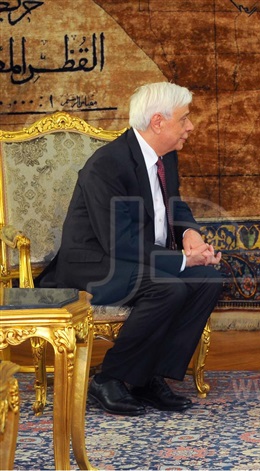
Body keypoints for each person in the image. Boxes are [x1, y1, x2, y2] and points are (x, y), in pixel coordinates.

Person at [37, 82, 224, 416]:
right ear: (158, 122)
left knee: (208, 280)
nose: (191, 126)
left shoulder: (166, 156)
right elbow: (119, 242)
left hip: (134, 258)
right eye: (184, 119)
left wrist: (190, 234)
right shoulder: (107, 165)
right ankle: (108, 379)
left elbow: (174, 204)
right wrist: (182, 260)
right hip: (95, 264)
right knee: (168, 288)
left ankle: (146, 378)